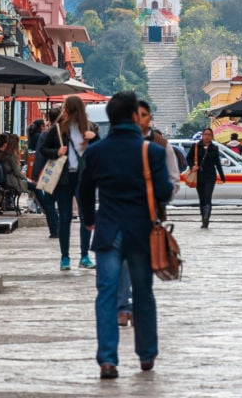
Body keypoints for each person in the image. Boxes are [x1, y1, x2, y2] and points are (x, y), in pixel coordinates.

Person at [78, 90, 172, 379]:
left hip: (107, 230)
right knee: (143, 293)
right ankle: (146, 354)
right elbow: (166, 192)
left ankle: (107, 359)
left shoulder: (95, 151)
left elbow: (84, 192)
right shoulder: (151, 152)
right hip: (141, 231)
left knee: (106, 293)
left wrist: (90, 220)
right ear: (134, 116)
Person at [116, 99, 179, 327]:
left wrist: (161, 199)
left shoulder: (162, 145)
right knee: (124, 261)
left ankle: (139, 306)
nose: (138, 119)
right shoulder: (118, 143)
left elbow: (173, 179)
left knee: (142, 261)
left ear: (149, 118)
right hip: (122, 212)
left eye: (143, 115)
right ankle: (123, 306)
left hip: (150, 214)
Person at [40, 95, 99, 270]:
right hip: (64, 179)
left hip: (84, 178)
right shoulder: (58, 129)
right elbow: (43, 149)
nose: (63, 110)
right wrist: (56, 152)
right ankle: (64, 257)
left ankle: (84, 256)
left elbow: (100, 151)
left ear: (73, 109)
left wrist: (94, 138)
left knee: (85, 217)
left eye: (66, 108)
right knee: (65, 218)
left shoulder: (91, 128)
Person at [185, 128, 227, 228]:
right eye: (205, 134)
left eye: (209, 135)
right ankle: (203, 216)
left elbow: (217, 163)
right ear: (202, 135)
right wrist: (192, 166)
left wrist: (222, 176)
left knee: (208, 197)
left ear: (212, 136)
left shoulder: (214, 148)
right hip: (199, 176)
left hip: (210, 176)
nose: (207, 136)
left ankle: (206, 219)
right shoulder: (196, 146)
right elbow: (188, 157)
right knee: (202, 198)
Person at [31, 109, 60, 238]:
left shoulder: (46, 134)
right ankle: (62, 228)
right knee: (64, 203)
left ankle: (54, 229)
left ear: (49, 119)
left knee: (49, 202)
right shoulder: (68, 132)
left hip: (50, 172)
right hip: (66, 173)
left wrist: (36, 175)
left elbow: (40, 156)